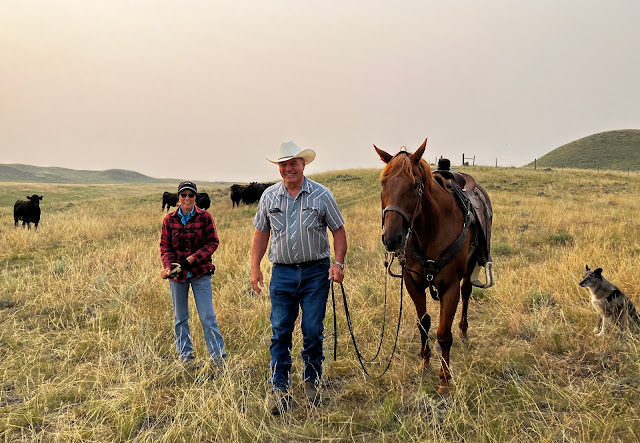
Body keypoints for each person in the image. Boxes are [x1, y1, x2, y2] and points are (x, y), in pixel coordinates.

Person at [251, 141, 347, 414]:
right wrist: (255, 268)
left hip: (316, 272)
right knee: (280, 330)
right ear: (279, 168)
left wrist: (338, 263)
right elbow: (261, 233)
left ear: (303, 164)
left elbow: (338, 230)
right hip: (282, 273)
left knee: (312, 329)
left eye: (293, 163)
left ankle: (312, 380)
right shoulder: (269, 197)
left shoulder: (321, 195)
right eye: (283, 164)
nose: (288, 168)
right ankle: (279, 387)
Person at [160, 180, 226, 365]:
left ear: (195, 197)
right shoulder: (169, 219)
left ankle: (217, 357)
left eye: (191, 195)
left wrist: (192, 259)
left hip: (200, 272)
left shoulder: (205, 217)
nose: (187, 198)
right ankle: (185, 357)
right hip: (177, 275)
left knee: (207, 316)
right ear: (178, 197)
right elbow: (165, 247)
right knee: (180, 318)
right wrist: (168, 266)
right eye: (184, 195)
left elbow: (213, 242)